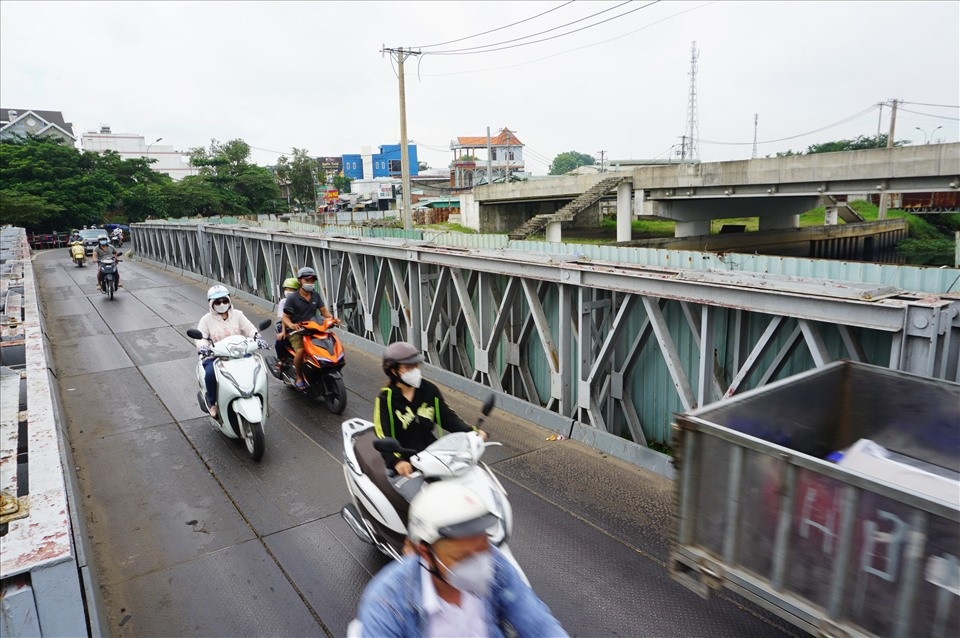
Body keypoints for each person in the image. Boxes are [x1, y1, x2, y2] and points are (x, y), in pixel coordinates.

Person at [355, 482, 568, 638]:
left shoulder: (496, 566)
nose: (482, 562)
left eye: (484, 547)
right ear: (425, 553)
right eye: (463, 557)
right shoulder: (386, 604)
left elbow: (540, 624)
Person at [374, 341, 486, 477]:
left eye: (416, 366)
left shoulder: (428, 390)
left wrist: (473, 432)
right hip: (405, 462)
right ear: (393, 370)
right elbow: (382, 435)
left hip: (432, 456)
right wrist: (397, 462)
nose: (414, 370)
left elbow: (448, 418)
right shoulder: (386, 399)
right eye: (408, 367)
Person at [195, 285, 268, 418]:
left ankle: (260, 398)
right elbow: (201, 338)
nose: (222, 304)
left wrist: (258, 337)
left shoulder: (238, 315)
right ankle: (212, 403)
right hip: (217, 357)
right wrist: (203, 347)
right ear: (211, 304)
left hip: (240, 354)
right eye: (217, 302)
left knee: (258, 369)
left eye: (224, 301)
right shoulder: (206, 320)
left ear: (229, 300)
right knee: (210, 374)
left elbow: (249, 329)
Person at [280, 266, 340, 390]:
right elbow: (285, 317)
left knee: (327, 346)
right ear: (300, 281)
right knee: (301, 351)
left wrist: (333, 319)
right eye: (307, 280)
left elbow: (323, 311)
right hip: (297, 331)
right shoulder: (292, 298)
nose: (310, 283)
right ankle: (299, 377)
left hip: (314, 328)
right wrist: (291, 325)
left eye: (312, 281)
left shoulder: (315, 296)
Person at [274, 277, 300, 367]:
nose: (288, 291)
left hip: (299, 326)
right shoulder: (283, 302)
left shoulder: (302, 301)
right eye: (286, 289)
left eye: (291, 289)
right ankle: (281, 359)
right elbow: (283, 318)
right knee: (280, 340)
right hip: (285, 325)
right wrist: (283, 332)